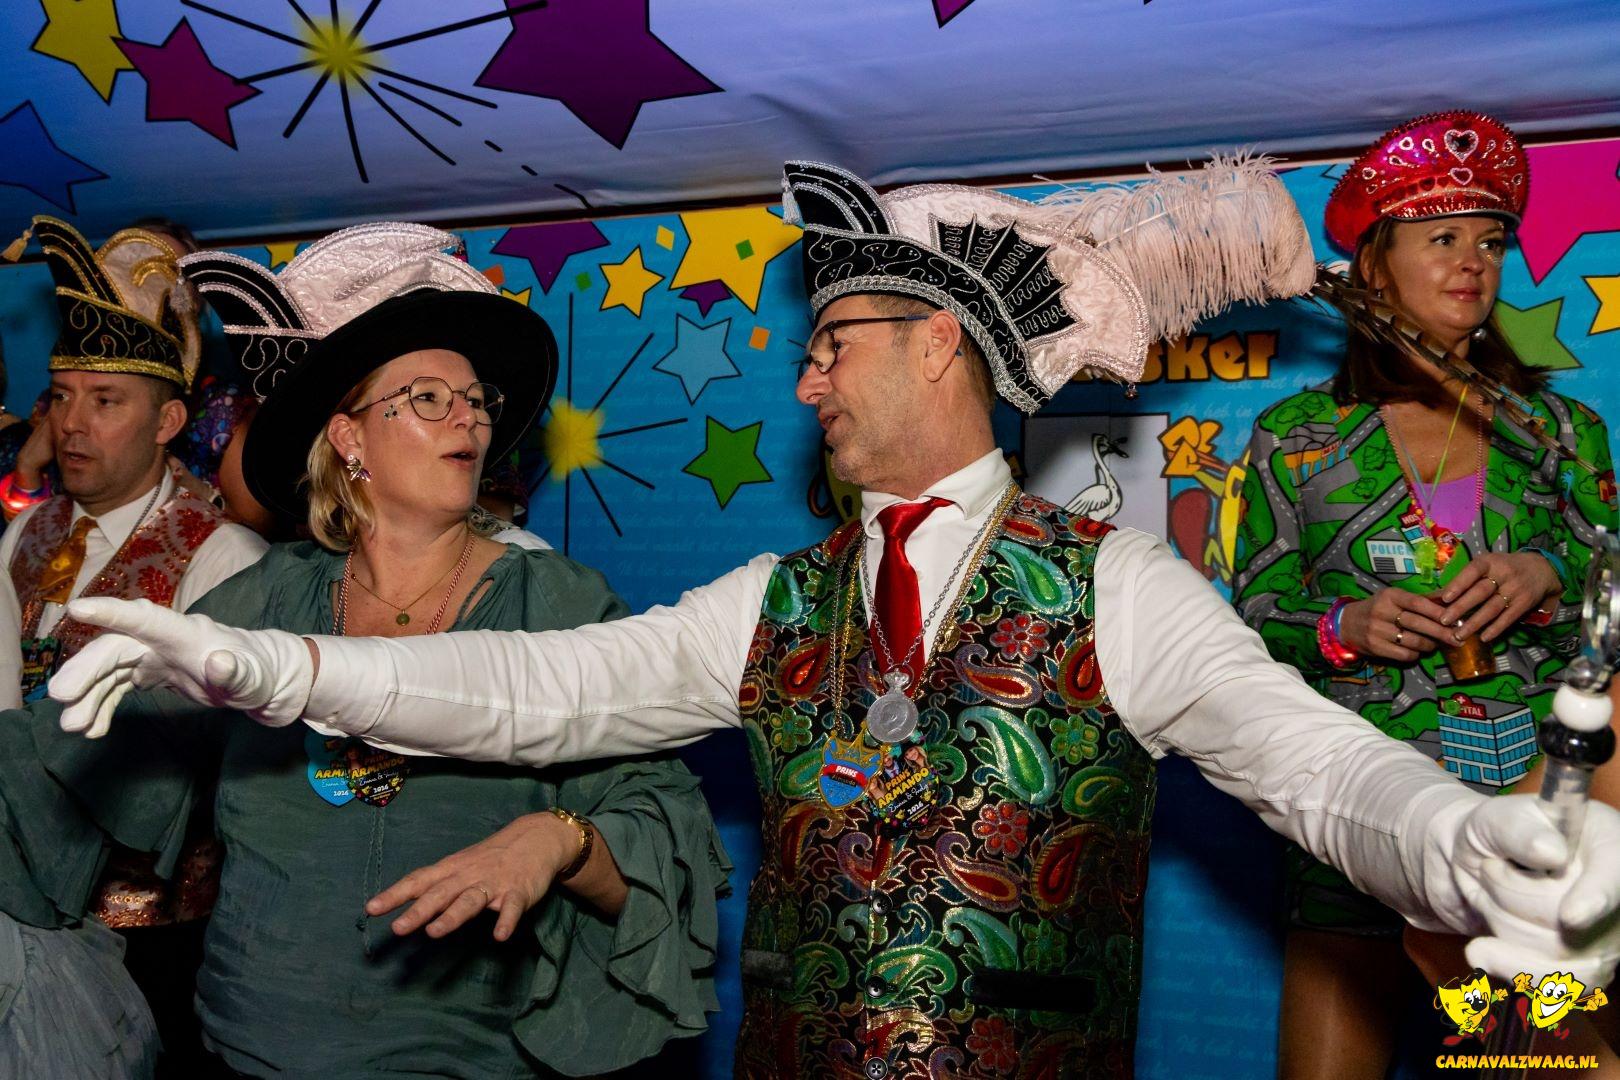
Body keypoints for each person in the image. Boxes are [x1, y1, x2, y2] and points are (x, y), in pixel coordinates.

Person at [53, 163, 1620, 1079]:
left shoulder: (1118, 585)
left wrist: (1461, 846)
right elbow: (535, 689)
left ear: (938, 345)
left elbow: (1318, 770)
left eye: (835, 342)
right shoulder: (776, 600)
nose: (805, 379)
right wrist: (250, 658)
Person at [10, 221, 729, 1078]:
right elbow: (50, 769)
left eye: (477, 400)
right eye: (428, 398)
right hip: (250, 1052)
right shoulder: (266, 599)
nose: (469, 417)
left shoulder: (558, 605)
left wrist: (556, 840)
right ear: (349, 439)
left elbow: (662, 855)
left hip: (468, 1063)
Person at [1231, 111, 1620, 1078]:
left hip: (1536, 815)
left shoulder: (1563, 431)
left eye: (1490, 241)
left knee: (1543, 1063)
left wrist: (1549, 575)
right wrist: (1344, 625)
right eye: (1441, 238)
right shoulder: (1296, 436)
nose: (1473, 262)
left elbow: (1615, 588)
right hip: (1358, 803)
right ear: (1374, 265)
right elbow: (1249, 623)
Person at [0, 217, 269, 1076]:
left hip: (160, 937)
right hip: (22, 912)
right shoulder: (24, 534)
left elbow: (209, 760)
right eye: (62, 396)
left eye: (106, 401)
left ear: (168, 420)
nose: (72, 423)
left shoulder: (222, 553)